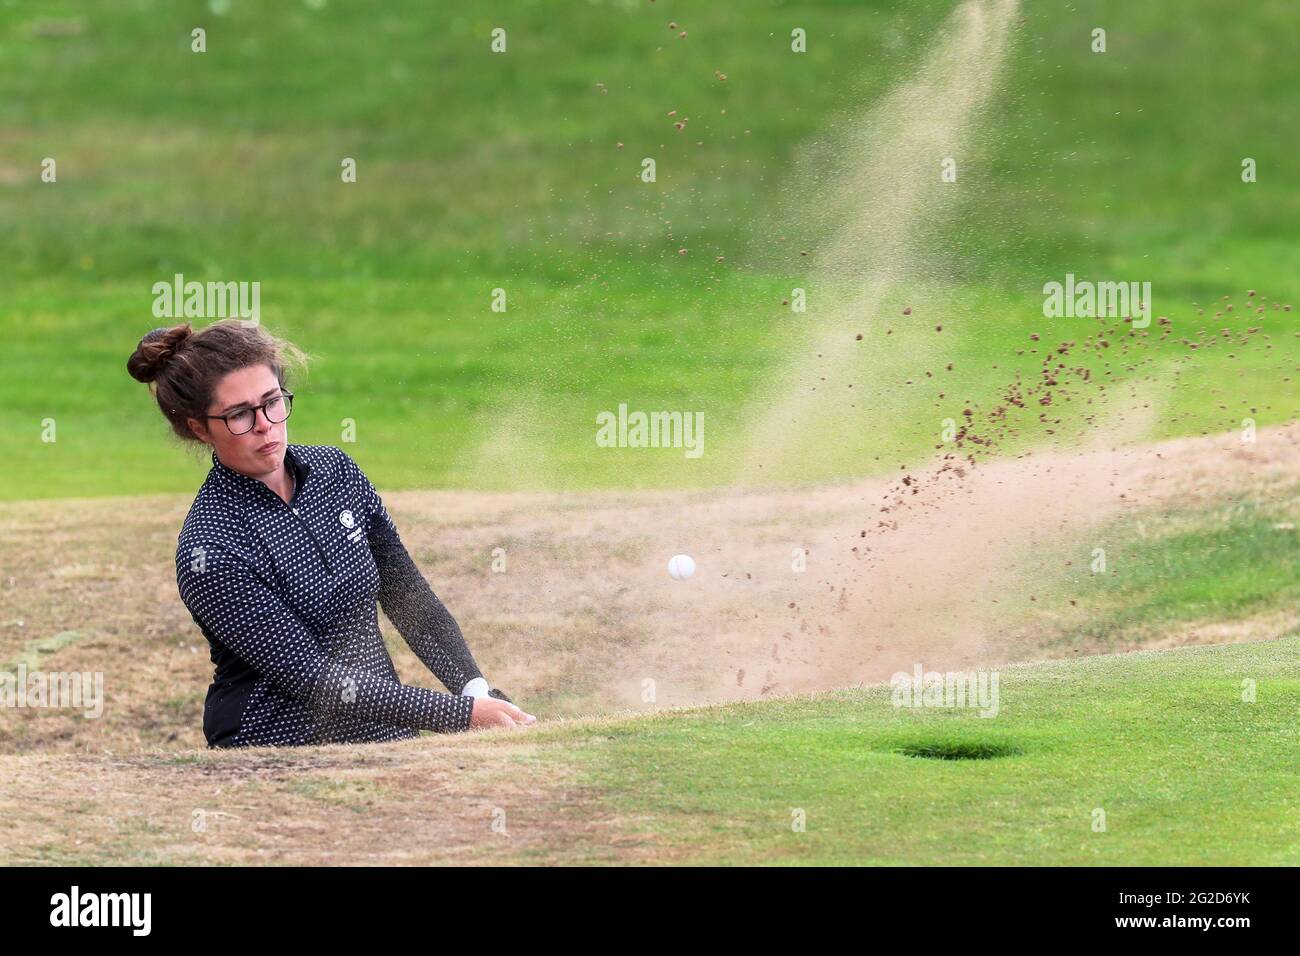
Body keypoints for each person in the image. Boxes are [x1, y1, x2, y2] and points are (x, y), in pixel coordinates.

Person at [127, 319, 534, 747]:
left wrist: (474, 691)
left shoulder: (335, 471)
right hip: (274, 750)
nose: (265, 424)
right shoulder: (210, 548)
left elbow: (407, 595)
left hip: (387, 734)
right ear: (199, 427)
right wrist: (460, 715)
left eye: (272, 402)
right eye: (239, 415)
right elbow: (312, 676)